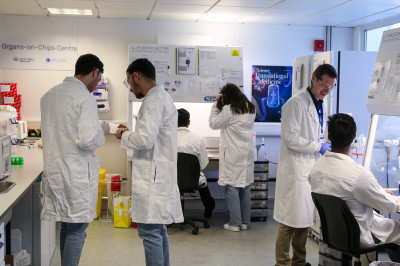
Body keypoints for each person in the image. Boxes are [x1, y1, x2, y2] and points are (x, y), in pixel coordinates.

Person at [40, 54, 106, 266]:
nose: (98, 84)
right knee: (77, 229)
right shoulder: (84, 98)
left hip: (56, 171)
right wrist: (101, 132)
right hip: (76, 174)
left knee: (67, 225)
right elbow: (87, 140)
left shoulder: (49, 95)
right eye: (99, 79)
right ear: (95, 72)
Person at [116, 58, 183, 266]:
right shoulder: (161, 97)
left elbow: (145, 140)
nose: (131, 89)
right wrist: (129, 133)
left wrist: (122, 135)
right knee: (157, 231)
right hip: (157, 175)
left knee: (150, 232)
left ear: (136, 76)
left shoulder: (154, 100)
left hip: (153, 180)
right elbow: (149, 136)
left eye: (129, 82)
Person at [309, 113, 400, 262]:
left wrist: (376, 192)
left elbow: (342, 191)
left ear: (329, 137)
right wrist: (385, 196)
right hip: (361, 236)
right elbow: (389, 205)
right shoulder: (359, 175)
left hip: (335, 234)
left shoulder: (316, 169)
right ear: (354, 137)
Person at [273, 63, 337, 266]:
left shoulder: (320, 103)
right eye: (324, 84)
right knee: (289, 221)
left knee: (304, 220)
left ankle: (299, 262)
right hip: (295, 169)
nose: (327, 90)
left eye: (331, 86)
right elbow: (290, 138)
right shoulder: (295, 104)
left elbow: (316, 131)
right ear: (313, 78)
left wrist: (322, 145)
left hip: (309, 169)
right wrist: (317, 147)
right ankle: (282, 263)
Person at [209, 83, 256, 232]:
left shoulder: (229, 109)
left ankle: (235, 223)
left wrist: (216, 104)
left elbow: (213, 124)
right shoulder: (250, 108)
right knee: (245, 186)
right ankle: (245, 222)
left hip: (233, 153)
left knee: (232, 187)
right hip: (246, 153)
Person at [177, 108, 216, 218]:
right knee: (201, 179)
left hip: (172, 180)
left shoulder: (167, 139)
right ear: (189, 122)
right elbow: (203, 165)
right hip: (192, 181)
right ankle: (209, 207)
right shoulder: (197, 140)